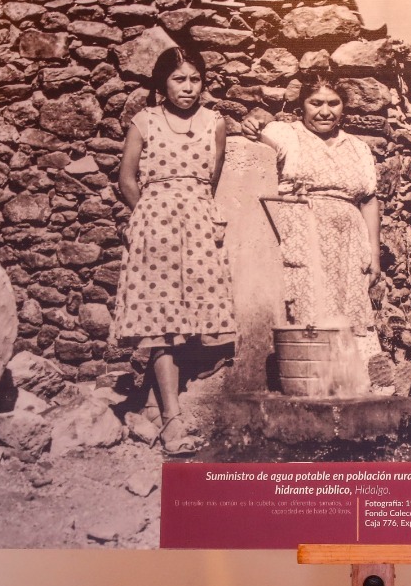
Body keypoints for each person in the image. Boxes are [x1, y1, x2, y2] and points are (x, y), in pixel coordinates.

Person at [113, 46, 236, 455]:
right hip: (155, 224)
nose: (188, 87)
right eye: (179, 79)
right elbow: (127, 179)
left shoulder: (215, 123)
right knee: (162, 320)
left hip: (199, 222)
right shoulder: (144, 121)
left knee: (194, 318)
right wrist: (148, 214)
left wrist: (196, 213)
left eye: (195, 79)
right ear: (162, 83)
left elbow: (212, 178)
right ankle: (171, 421)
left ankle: (152, 401)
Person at [240, 75, 389, 390]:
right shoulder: (288, 134)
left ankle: (352, 386)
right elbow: (267, 141)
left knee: (350, 310)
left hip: (350, 241)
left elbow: (369, 200)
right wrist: (255, 126)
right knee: (307, 305)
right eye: (316, 102)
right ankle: (309, 384)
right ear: (301, 107)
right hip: (302, 233)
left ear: (344, 107)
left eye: (333, 103)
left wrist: (374, 254)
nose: (325, 111)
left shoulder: (358, 148)